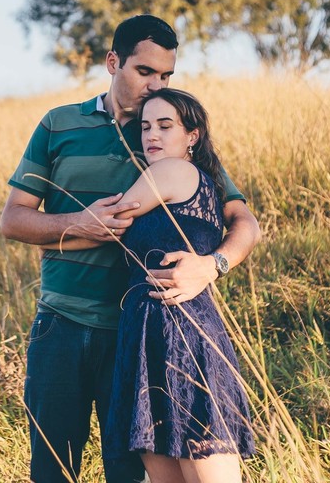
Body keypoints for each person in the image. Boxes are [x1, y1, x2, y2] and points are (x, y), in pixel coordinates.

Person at [0, 15, 261, 483]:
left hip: (137, 332)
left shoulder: (168, 137)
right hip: (61, 324)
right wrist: (75, 222)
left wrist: (212, 265)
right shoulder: (60, 124)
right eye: (145, 72)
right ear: (112, 62)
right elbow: (13, 218)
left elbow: (242, 220)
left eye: (166, 76)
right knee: (52, 472)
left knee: (129, 473)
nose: (154, 85)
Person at [103, 89, 255, 482]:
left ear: (192, 136)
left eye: (165, 126)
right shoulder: (200, 182)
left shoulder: (171, 172)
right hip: (153, 333)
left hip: (179, 333)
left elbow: (106, 222)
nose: (151, 135)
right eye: (146, 126)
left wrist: (40, 228)